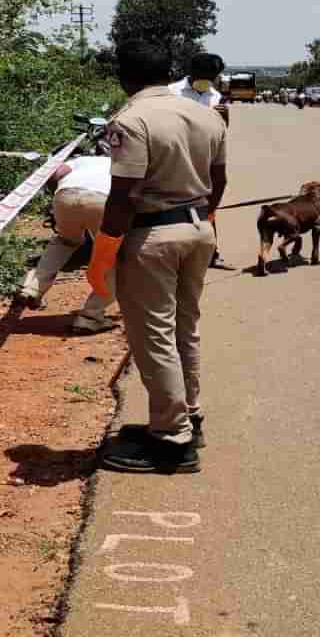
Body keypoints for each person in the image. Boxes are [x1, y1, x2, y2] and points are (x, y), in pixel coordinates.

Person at [86, 41, 227, 473]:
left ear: (124, 76)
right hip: (199, 229)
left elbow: (124, 195)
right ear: (168, 72)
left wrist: (104, 251)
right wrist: (199, 216)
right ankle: (189, 417)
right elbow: (219, 180)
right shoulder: (208, 115)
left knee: (155, 337)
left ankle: (171, 440)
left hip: (152, 236)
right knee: (185, 329)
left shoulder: (130, 120)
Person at [17, 153, 117, 334]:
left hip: (65, 194)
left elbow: (55, 173)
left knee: (65, 241)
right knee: (116, 260)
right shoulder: (125, 162)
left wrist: (53, 199)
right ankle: (91, 316)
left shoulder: (82, 160)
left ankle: (33, 289)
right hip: (102, 199)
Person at [169, 52, 231, 270]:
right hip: (174, 156)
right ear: (192, 72)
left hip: (203, 158)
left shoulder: (215, 97)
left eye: (213, 76)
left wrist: (223, 119)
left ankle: (212, 253)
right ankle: (174, 254)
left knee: (206, 205)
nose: (209, 80)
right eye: (205, 75)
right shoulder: (171, 92)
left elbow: (221, 131)